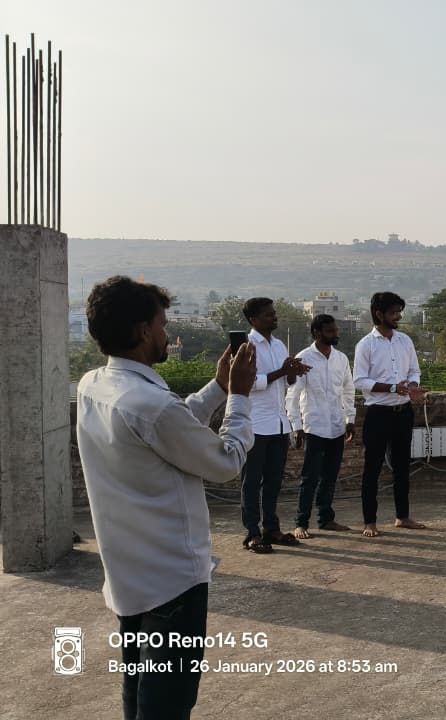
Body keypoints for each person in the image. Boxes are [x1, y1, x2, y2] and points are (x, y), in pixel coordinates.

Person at [76, 276, 257, 719]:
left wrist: (217, 388)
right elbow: (225, 460)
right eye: (161, 323)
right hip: (172, 581)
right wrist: (239, 398)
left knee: (138, 691)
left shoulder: (96, 384)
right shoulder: (148, 405)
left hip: (129, 573)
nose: (165, 332)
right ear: (142, 331)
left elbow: (172, 428)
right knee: (167, 705)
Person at [240, 297, 311, 552]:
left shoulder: (279, 345)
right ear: (254, 320)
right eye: (269, 315)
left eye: (274, 314)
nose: (274, 318)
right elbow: (248, 382)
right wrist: (282, 372)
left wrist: (293, 370)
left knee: (273, 480)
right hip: (256, 423)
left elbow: (287, 382)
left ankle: (271, 527)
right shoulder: (247, 346)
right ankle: (251, 532)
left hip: (279, 423)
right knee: (251, 481)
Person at [353, 291, 426, 537]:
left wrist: (413, 387)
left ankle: (402, 517)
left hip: (403, 411)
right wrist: (393, 387)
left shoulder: (405, 340)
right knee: (372, 468)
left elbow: (414, 370)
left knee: (402, 466)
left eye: (398, 312)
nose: (398, 316)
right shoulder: (366, 344)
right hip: (378, 413)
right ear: (379, 314)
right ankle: (369, 522)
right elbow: (360, 380)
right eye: (394, 312)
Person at [286, 314, 356, 539]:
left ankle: (326, 519)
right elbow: (293, 395)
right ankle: (301, 523)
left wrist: (350, 419)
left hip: (336, 426)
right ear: (317, 332)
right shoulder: (304, 358)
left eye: (335, 330)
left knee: (330, 476)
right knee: (310, 478)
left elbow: (348, 390)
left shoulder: (341, 359)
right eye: (330, 331)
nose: (335, 334)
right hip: (314, 427)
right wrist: (296, 425)